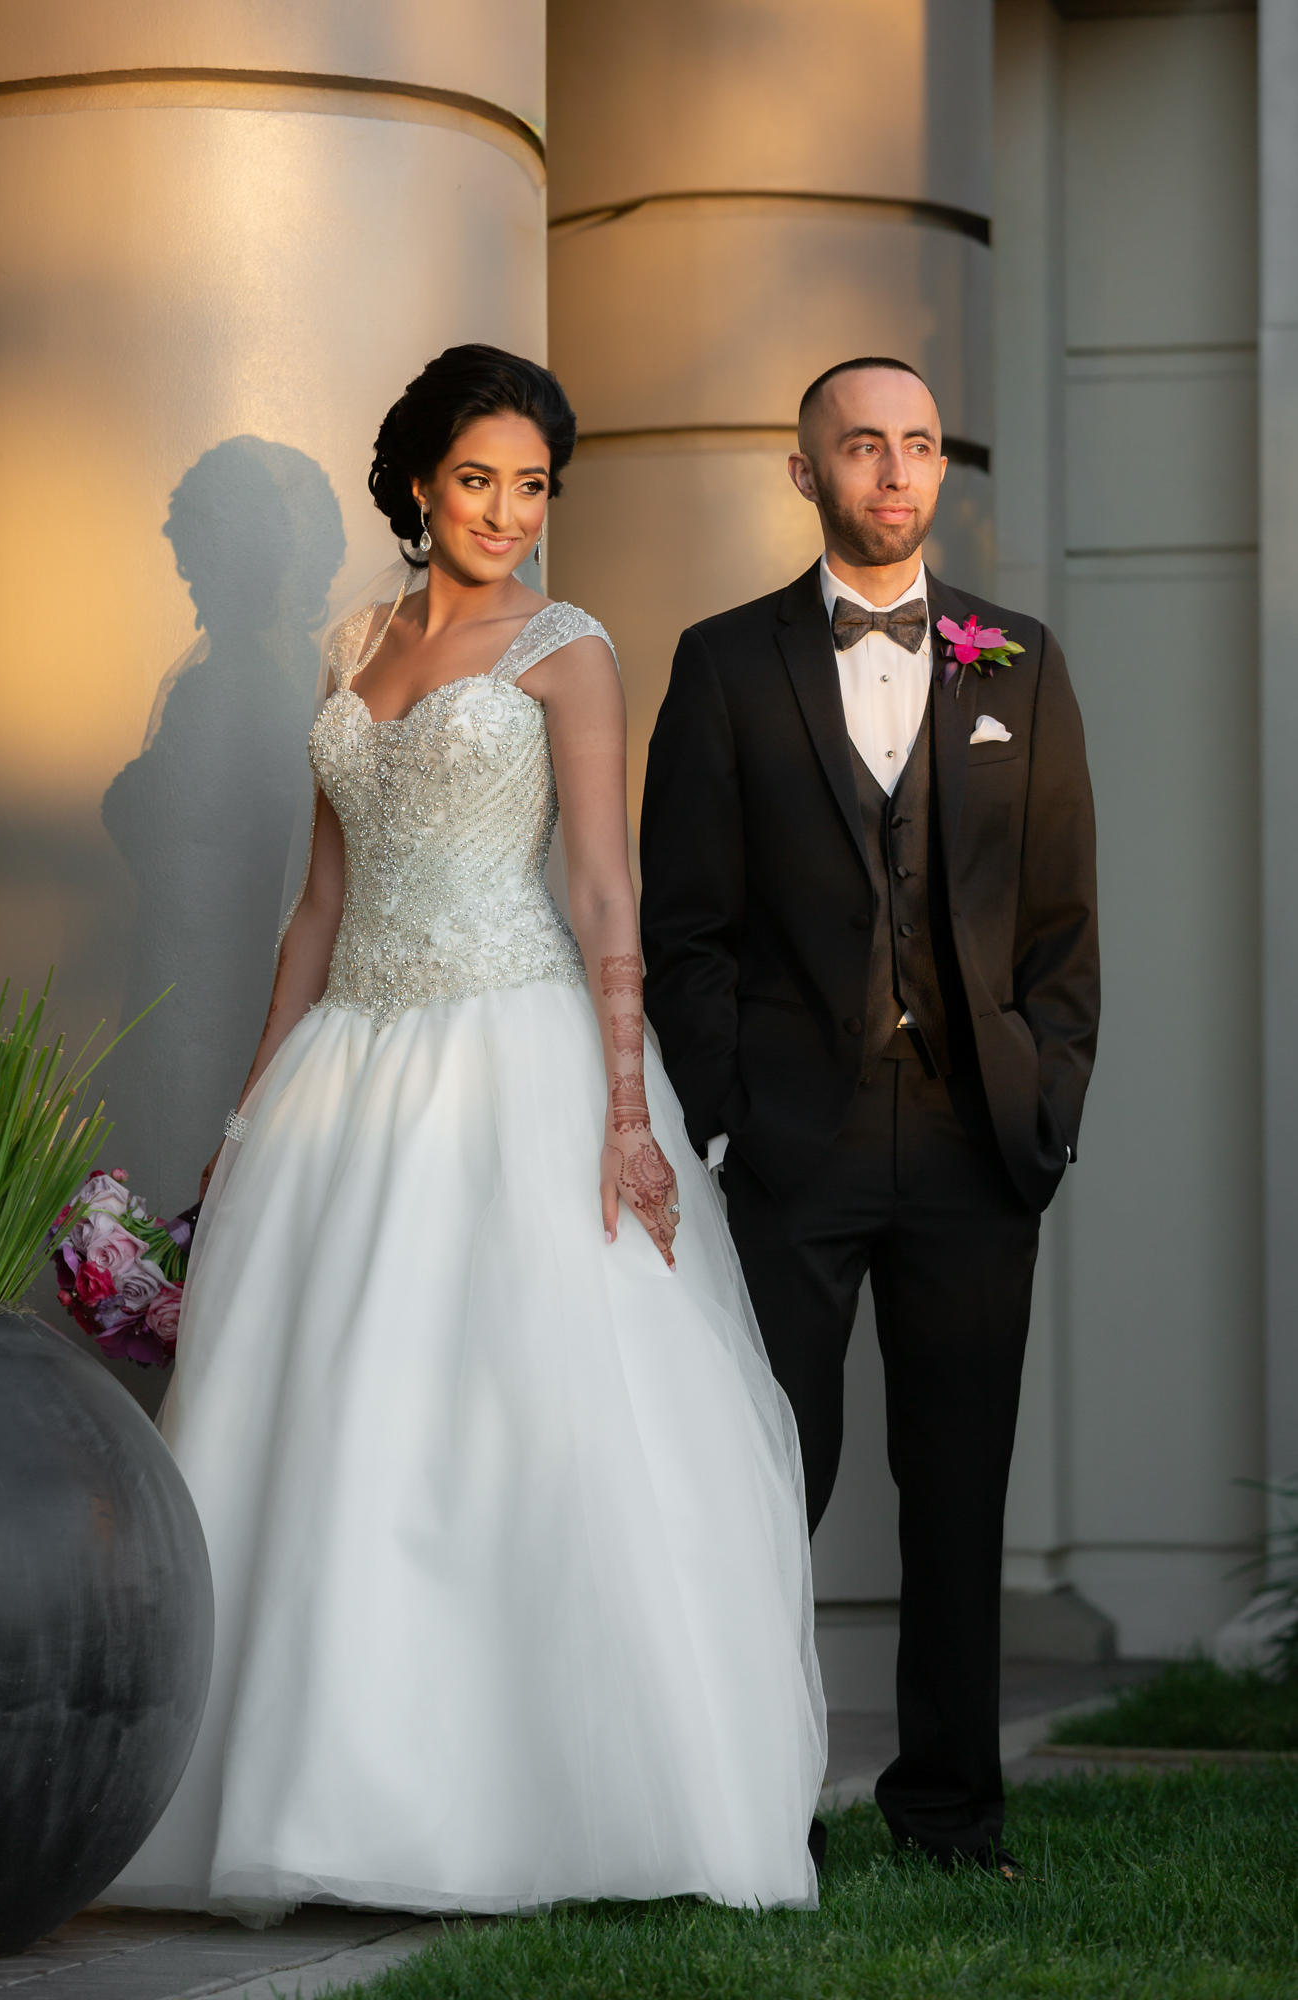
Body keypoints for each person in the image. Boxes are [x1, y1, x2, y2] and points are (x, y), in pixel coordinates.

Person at [110, 346, 825, 1922]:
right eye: (478, 479)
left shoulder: (568, 648)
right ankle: (318, 1793)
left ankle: (538, 1809)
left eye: (532, 486)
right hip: (347, 1069)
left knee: (518, 1417)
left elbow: (602, 891)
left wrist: (628, 1112)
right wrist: (245, 1111)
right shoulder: (351, 648)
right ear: (420, 484)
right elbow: (315, 909)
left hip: (512, 1050)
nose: (507, 511)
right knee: (325, 1424)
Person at [639, 356, 1098, 1875]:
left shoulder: (1013, 662)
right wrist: (726, 1120)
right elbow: (684, 926)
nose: (893, 473)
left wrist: (1046, 1102)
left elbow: (1059, 926)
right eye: (861, 447)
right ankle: (748, 1803)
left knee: (957, 1486)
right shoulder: (722, 663)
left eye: (914, 447)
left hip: (977, 1141)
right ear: (804, 470)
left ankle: (949, 1810)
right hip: (791, 1143)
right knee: (769, 1476)